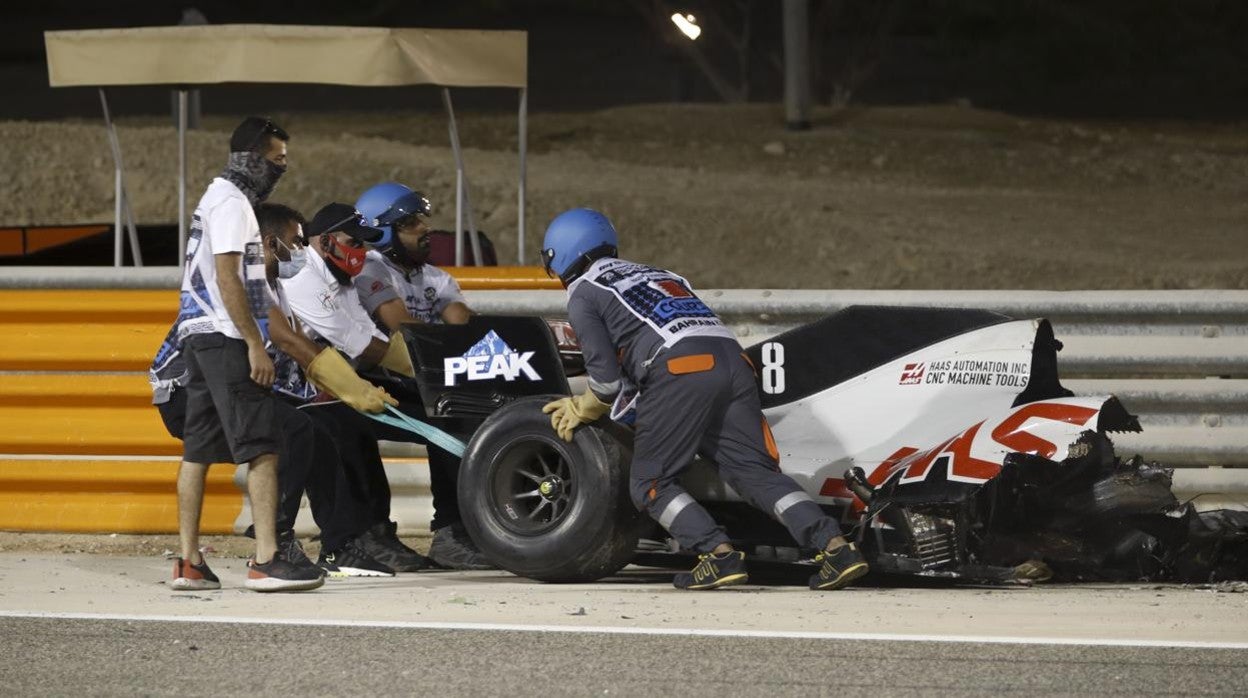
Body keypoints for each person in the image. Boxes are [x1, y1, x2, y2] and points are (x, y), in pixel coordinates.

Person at [539, 208, 870, 591]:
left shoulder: (585, 292)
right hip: (735, 364)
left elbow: (606, 383)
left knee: (650, 481)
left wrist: (580, 408)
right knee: (755, 473)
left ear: (560, 254)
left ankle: (717, 555)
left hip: (681, 370)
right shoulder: (661, 273)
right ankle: (835, 548)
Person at [167, 116, 322, 592]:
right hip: (226, 337)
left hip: (197, 335)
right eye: (276, 160)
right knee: (264, 447)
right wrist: (255, 343)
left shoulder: (213, 198)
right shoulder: (233, 204)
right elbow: (230, 278)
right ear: (251, 159)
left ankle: (189, 563)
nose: (282, 169)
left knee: (198, 451)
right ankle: (266, 560)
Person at [280, 202, 441, 574]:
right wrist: (425, 368)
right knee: (344, 426)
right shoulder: (304, 277)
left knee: (440, 408)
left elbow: (369, 337)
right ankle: (355, 540)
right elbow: (358, 341)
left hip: (322, 382)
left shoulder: (343, 279)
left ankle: (445, 531)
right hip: (295, 391)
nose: (364, 251)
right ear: (324, 242)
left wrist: (430, 375)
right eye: (355, 242)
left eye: (367, 243)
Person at [353, 182, 491, 570]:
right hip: (371, 382)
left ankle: (460, 531)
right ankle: (447, 531)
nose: (424, 229)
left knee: (462, 413)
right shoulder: (369, 268)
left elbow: (462, 325)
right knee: (448, 416)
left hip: (418, 381)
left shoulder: (436, 277)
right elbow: (401, 327)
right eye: (411, 222)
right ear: (383, 232)